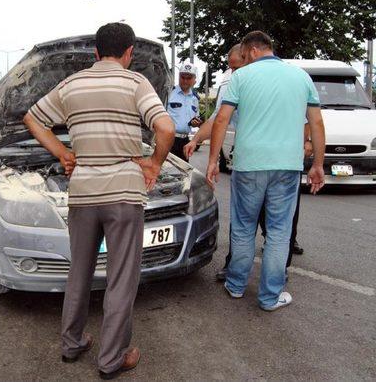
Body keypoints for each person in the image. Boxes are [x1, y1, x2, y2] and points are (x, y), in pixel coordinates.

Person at [24, 23, 175, 380]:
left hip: (83, 193)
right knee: (121, 278)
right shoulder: (136, 83)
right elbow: (166, 129)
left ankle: (72, 343)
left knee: (79, 270)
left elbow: (32, 118)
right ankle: (112, 359)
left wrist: (63, 152)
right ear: (129, 53)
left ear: (95, 52)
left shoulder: (72, 84)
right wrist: (154, 163)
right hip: (123, 193)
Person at [206, 31, 325, 311]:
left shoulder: (241, 78)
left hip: (248, 165)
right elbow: (316, 123)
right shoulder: (301, 77)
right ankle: (270, 296)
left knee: (244, 228)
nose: (244, 62)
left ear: (254, 50)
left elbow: (222, 118)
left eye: (245, 56)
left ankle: (235, 286)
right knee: (279, 232)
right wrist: (318, 165)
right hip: (287, 166)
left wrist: (213, 159)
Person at [167, 63, 202, 161]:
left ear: (194, 79)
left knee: (183, 171)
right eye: (183, 77)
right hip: (169, 139)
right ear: (178, 77)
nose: (185, 80)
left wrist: (196, 123)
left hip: (185, 141)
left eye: (189, 78)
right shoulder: (169, 93)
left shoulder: (195, 98)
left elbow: (196, 118)